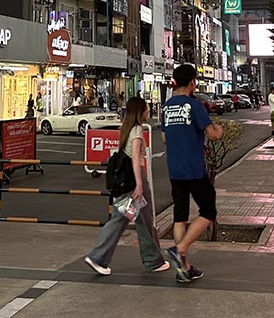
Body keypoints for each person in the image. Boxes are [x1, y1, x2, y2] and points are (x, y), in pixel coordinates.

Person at [84, 97, 170, 276]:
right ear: (140, 112)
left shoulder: (126, 128)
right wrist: (139, 185)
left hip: (125, 182)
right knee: (144, 221)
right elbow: (136, 161)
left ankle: (98, 256)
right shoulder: (137, 130)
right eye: (146, 109)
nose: (148, 112)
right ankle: (152, 261)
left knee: (119, 219)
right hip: (135, 182)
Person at [161, 64, 223, 284]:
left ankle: (183, 269)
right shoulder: (195, 105)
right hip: (194, 169)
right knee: (208, 209)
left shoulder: (167, 107)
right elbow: (213, 135)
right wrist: (219, 130)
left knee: (180, 215)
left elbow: (165, 138)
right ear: (192, 82)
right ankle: (181, 249)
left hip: (174, 169)